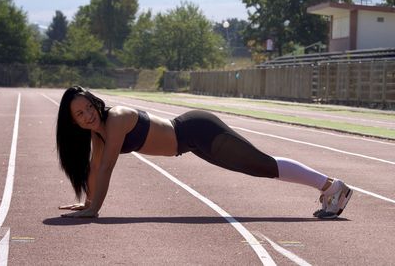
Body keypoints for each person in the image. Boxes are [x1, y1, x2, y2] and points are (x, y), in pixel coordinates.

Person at [57, 86, 352, 219]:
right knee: (261, 166)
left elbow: (107, 168)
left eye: (88, 108)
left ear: (95, 102)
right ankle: (330, 188)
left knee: (262, 165)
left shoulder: (117, 118)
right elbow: (95, 168)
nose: (87, 116)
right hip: (192, 144)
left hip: (196, 131)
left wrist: (96, 208)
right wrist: (88, 202)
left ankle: (332, 187)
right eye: (79, 115)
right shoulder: (98, 135)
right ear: (73, 122)